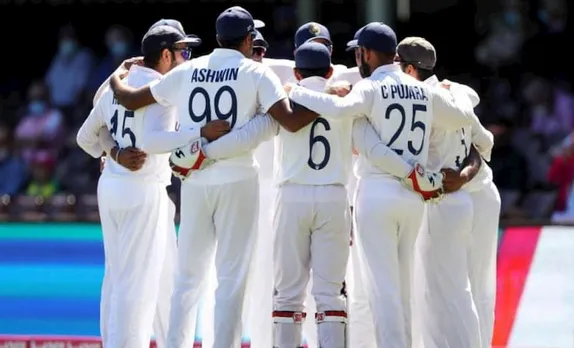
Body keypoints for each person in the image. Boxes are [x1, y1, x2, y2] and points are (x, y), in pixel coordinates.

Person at [106, 6, 320, 348]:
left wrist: (117, 76)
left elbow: (130, 100)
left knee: (187, 279)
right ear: (249, 39)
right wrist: (324, 101)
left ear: (218, 38)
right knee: (231, 278)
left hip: (195, 181)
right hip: (238, 179)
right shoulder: (256, 72)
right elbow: (291, 121)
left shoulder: (188, 69)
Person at [286, 22, 478, 348]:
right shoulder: (423, 89)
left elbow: (339, 109)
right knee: (403, 287)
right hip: (414, 198)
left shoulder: (371, 86)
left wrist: (297, 92)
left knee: (382, 290)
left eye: (360, 53)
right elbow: (462, 116)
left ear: (367, 53)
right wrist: (457, 91)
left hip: (377, 191)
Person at [76, 25, 205, 348]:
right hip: (143, 189)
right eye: (183, 52)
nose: (186, 59)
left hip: (114, 187)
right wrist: (202, 135)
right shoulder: (164, 89)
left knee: (137, 278)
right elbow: (159, 140)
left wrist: (115, 152)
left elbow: (85, 138)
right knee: (136, 286)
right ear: (164, 55)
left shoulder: (115, 86)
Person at [395, 37, 495, 348]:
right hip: (473, 196)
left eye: (397, 65)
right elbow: (486, 142)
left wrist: (460, 175)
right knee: (472, 288)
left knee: (447, 291)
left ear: (410, 69)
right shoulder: (455, 92)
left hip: (446, 200)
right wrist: (465, 172)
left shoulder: (426, 98)